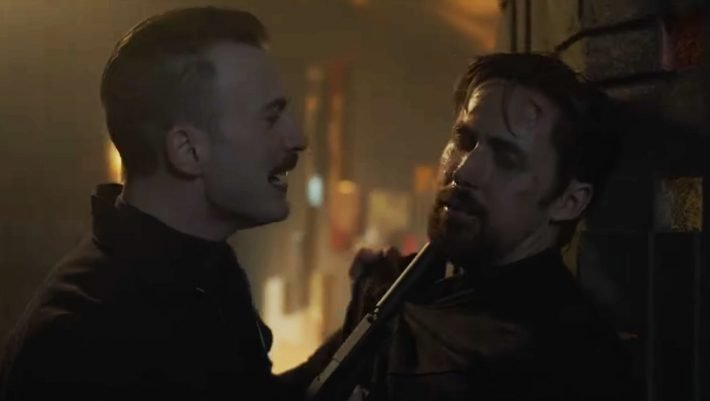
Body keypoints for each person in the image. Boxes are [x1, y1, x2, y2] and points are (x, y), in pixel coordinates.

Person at [282, 53, 637, 400]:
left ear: (569, 200)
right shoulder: (406, 288)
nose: (464, 171)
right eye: (464, 141)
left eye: (507, 158)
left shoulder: (569, 361)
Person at [0, 7, 306, 401]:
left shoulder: (210, 272)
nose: (297, 138)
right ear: (187, 150)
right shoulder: (78, 346)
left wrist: (364, 328)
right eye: (270, 118)